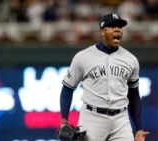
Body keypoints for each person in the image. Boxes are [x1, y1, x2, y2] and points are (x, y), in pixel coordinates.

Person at [59, 12, 150, 141]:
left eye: (120, 27)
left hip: (121, 120)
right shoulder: (83, 57)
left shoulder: (131, 60)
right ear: (102, 31)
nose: (118, 29)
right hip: (92, 117)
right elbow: (67, 88)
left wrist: (139, 129)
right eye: (112, 26)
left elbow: (134, 95)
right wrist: (64, 121)